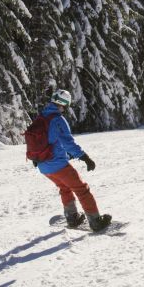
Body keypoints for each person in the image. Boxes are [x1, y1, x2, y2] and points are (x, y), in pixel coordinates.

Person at [34, 89, 112, 231]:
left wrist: (36, 158)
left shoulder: (41, 117)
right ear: (66, 104)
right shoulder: (58, 120)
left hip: (42, 165)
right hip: (56, 164)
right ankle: (95, 221)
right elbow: (68, 143)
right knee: (82, 189)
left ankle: (72, 218)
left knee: (64, 186)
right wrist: (85, 157)